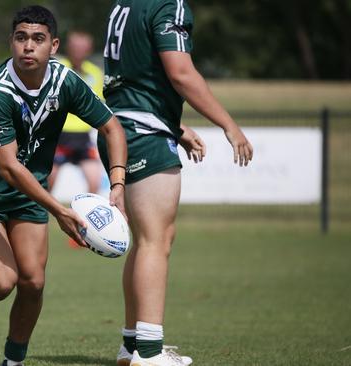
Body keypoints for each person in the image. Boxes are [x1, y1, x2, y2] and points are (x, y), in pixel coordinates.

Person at [0, 5, 127, 366]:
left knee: (32, 282)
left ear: (53, 45)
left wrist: (118, 182)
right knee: (3, 281)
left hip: (28, 189)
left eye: (37, 39)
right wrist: (60, 210)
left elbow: (111, 127)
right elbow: (8, 167)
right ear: (11, 42)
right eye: (20, 38)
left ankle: (12, 362)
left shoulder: (65, 82)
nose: (28, 46)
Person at [101, 1, 254, 365]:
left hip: (121, 127)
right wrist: (228, 125)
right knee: (157, 240)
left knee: (146, 241)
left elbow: (135, 75)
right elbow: (181, 73)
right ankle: (150, 354)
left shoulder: (125, 3)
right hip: (143, 131)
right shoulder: (169, 4)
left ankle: (133, 345)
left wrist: (176, 126)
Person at [48, 30, 105, 248]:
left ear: (88, 50)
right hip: (59, 136)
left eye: (83, 47)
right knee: (47, 185)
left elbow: (99, 103)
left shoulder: (94, 73)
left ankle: (82, 232)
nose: (79, 51)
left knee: (94, 181)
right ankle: (35, 224)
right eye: (75, 46)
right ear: (67, 47)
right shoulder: (56, 66)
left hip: (82, 138)